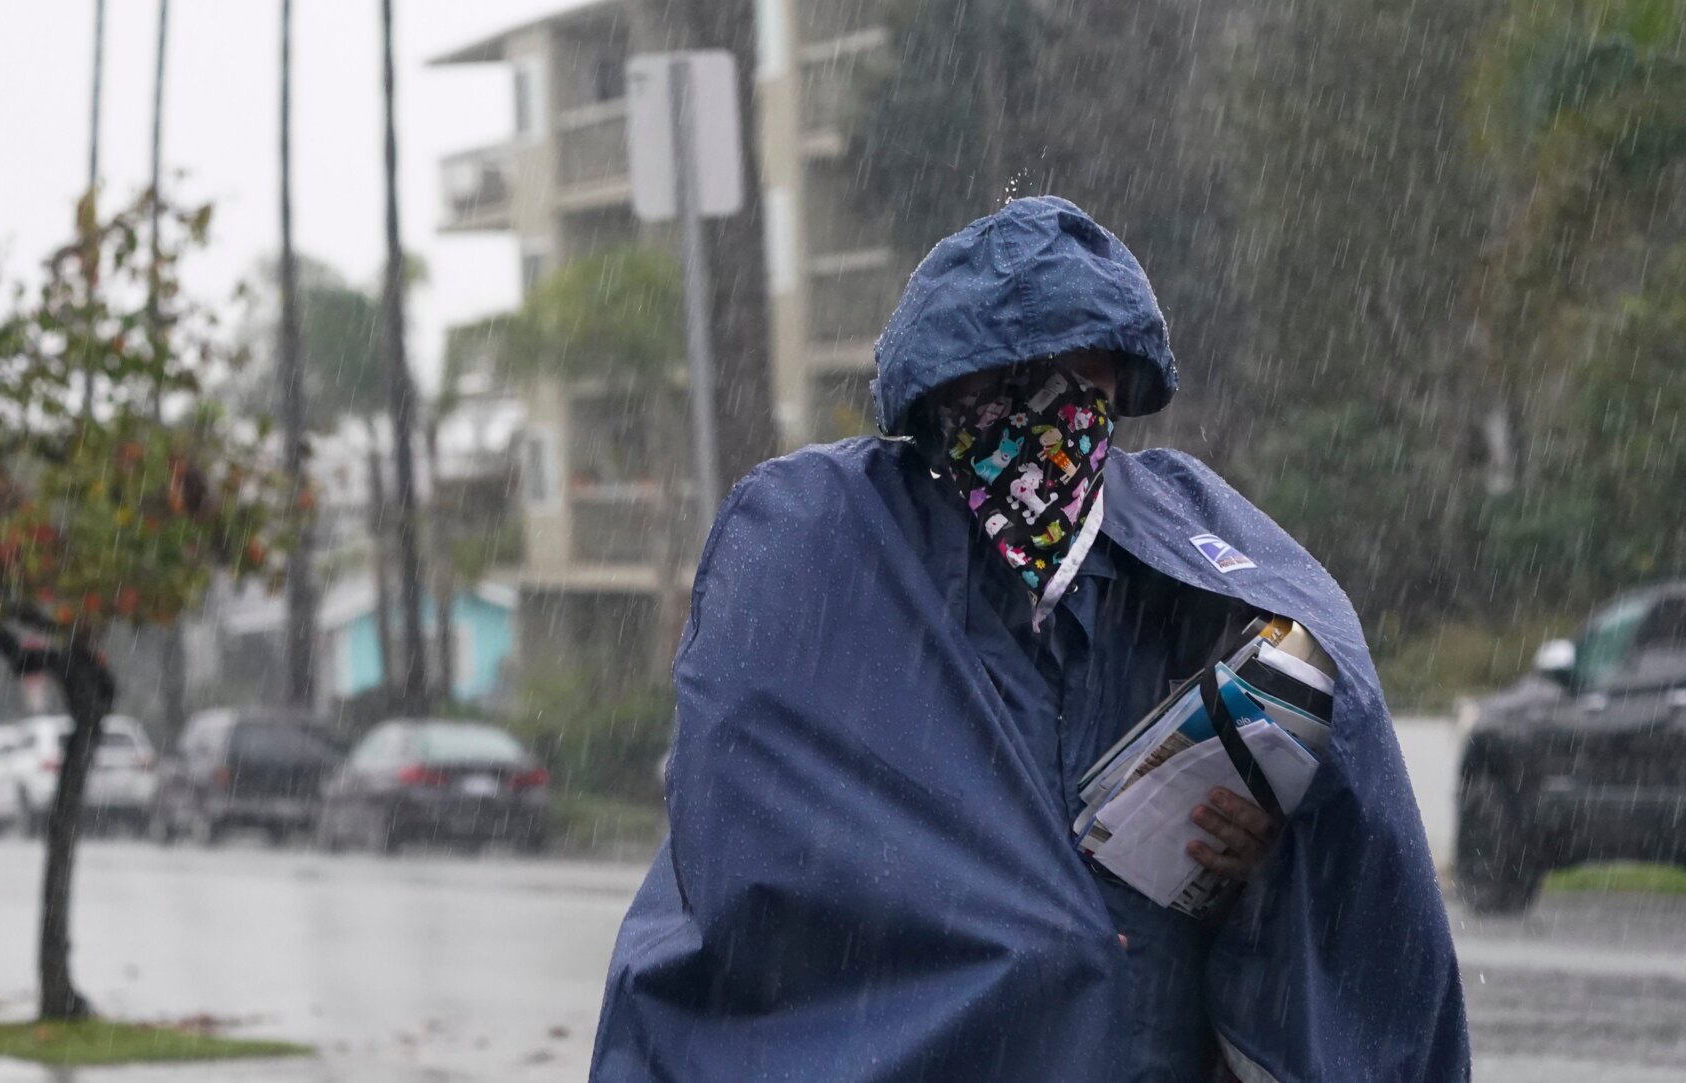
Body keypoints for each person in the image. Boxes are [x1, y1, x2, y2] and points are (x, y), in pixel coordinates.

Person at [591, 197, 1468, 1082]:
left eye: (1066, 379)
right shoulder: (836, 569)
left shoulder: (1199, 581)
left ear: (1118, 387)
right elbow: (762, 847)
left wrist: (1264, 869)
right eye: (992, 385)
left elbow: (1349, 863)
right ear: (935, 405)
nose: (1032, 416)